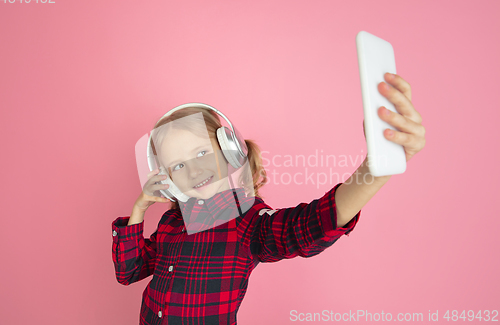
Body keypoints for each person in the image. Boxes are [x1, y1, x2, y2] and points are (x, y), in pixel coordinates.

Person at [111, 73, 426, 325]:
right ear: (166, 177)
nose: (192, 171)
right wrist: (139, 209)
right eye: (178, 165)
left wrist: (376, 169)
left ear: (229, 149)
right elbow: (129, 272)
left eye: (202, 153)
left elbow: (308, 226)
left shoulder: (246, 221)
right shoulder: (172, 221)